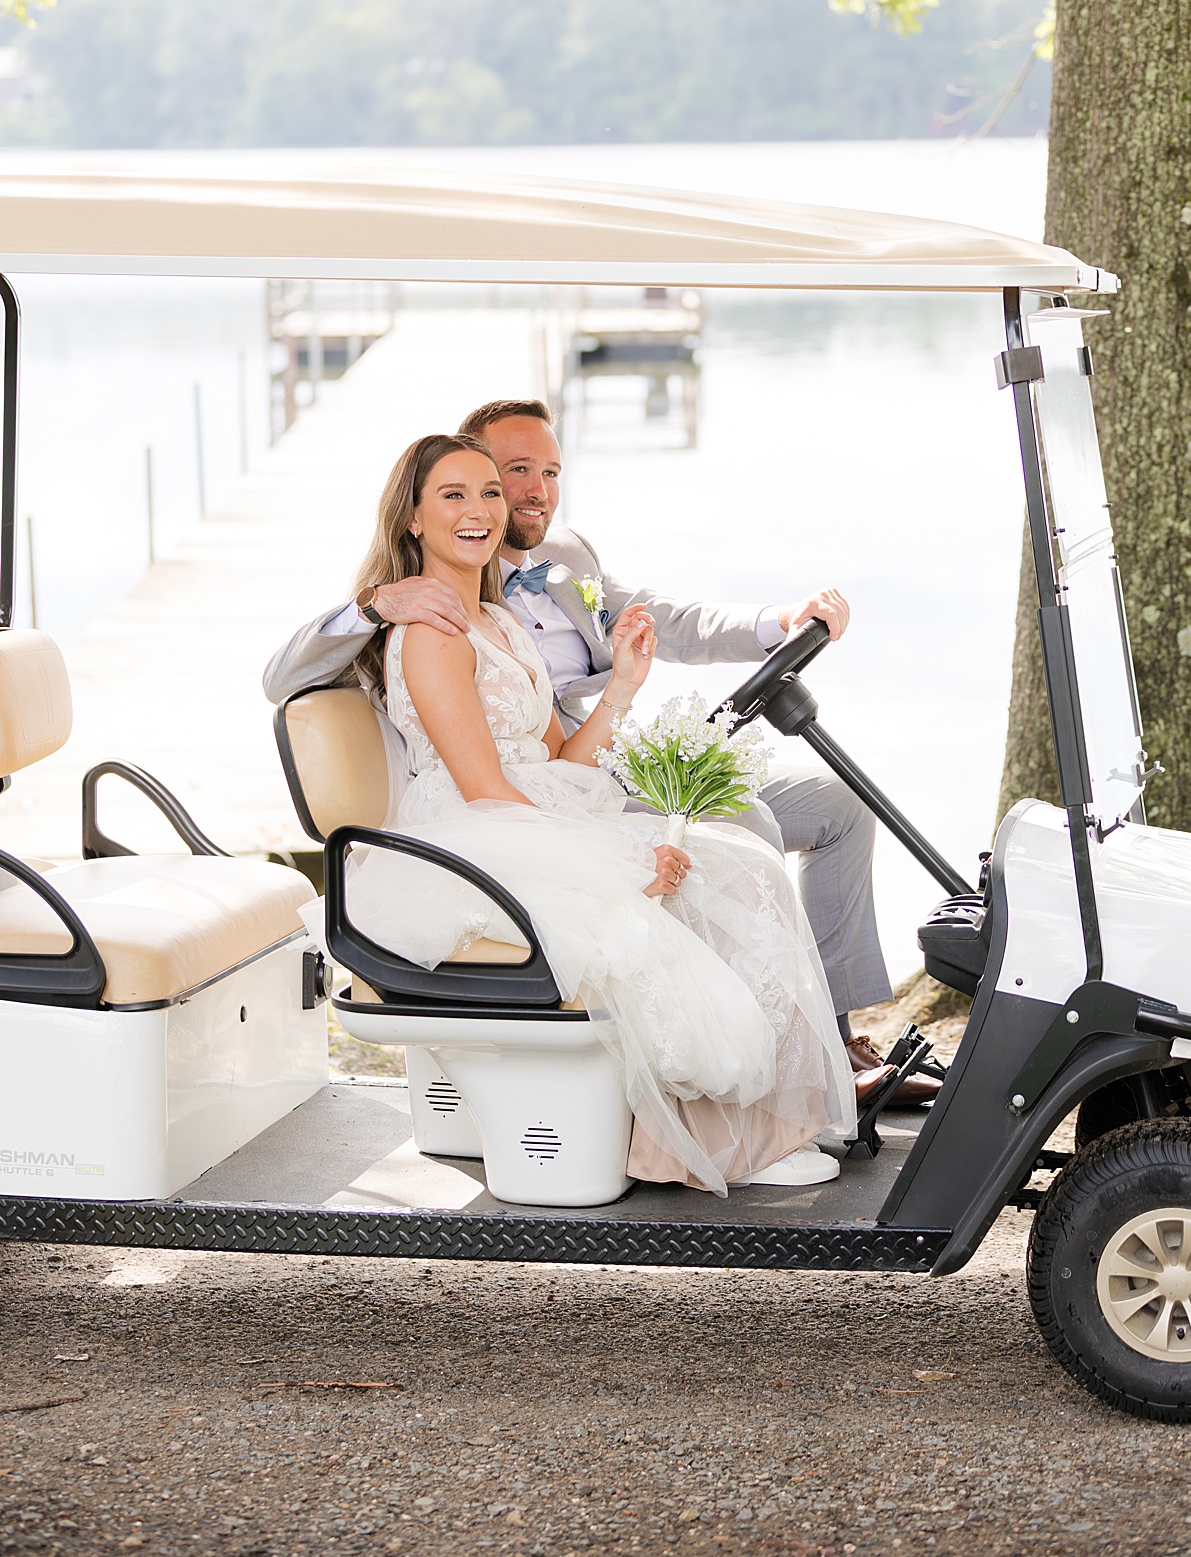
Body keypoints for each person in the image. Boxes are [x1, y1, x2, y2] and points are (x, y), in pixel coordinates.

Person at [262, 397, 923, 1101]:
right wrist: (373, 605)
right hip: (514, 812)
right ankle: (789, 1074)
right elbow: (290, 681)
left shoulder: (562, 560)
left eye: (545, 471)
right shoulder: (421, 614)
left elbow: (670, 621)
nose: (529, 492)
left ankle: (833, 1040)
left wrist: (778, 621)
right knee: (745, 833)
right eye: (511, 471)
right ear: (422, 510)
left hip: (581, 770)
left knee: (838, 807)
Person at [330, 432, 856, 1193]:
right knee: (721, 878)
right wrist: (614, 859)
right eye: (454, 495)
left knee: (740, 863)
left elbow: (559, 762)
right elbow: (487, 790)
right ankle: (717, 1141)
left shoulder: (498, 622)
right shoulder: (429, 635)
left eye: (487, 492)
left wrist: (621, 692)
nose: (480, 510)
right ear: (412, 518)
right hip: (486, 839)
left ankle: (748, 1126)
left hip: (535, 811)